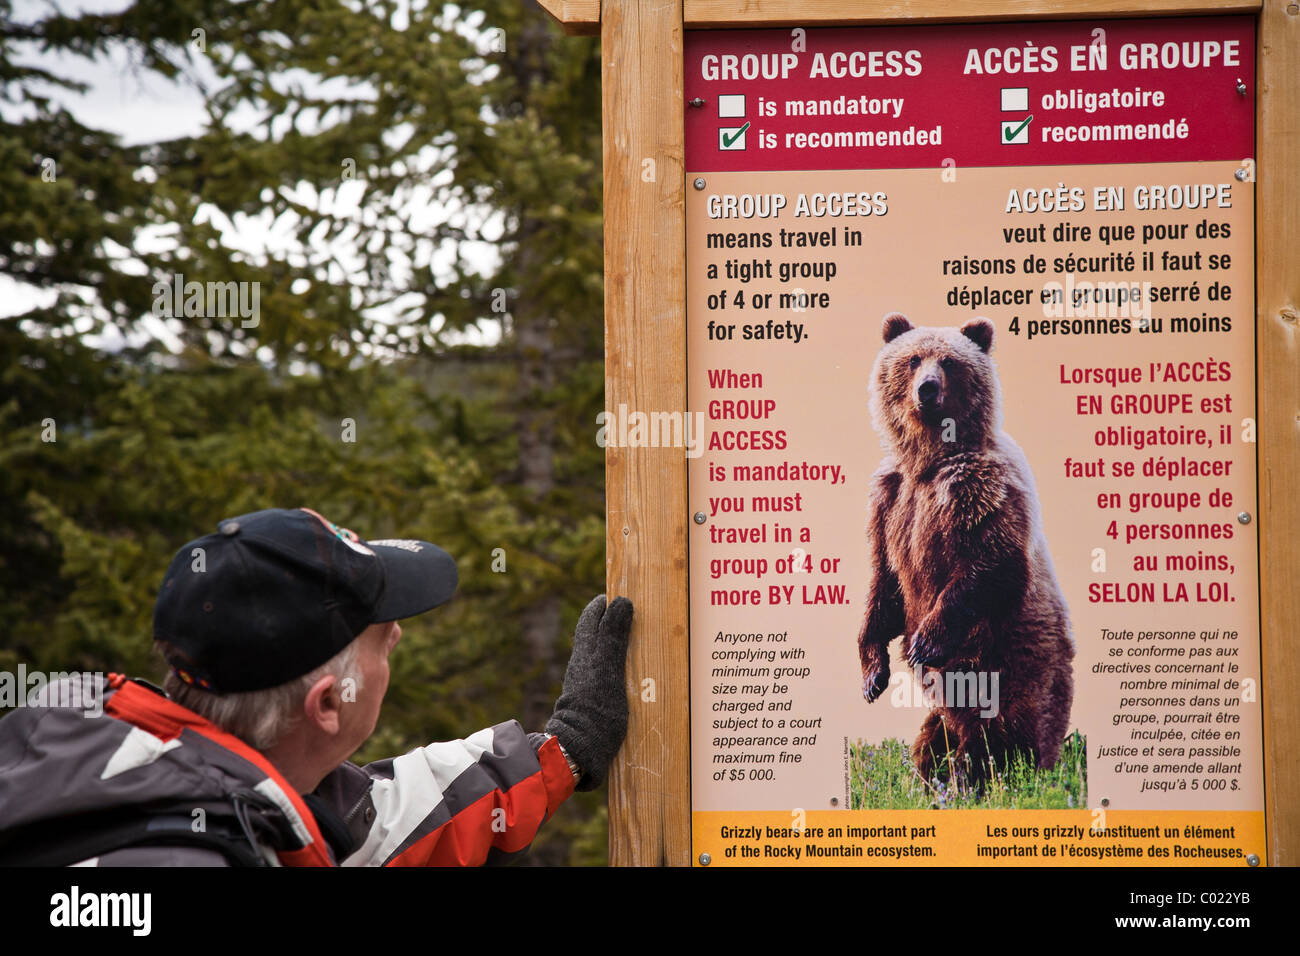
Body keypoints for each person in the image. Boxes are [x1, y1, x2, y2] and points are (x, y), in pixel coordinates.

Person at [0, 507, 633, 866]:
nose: (397, 639)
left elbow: (382, 825)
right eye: (380, 633)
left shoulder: (225, 789)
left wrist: (566, 747)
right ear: (328, 704)